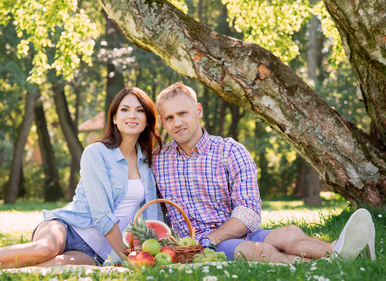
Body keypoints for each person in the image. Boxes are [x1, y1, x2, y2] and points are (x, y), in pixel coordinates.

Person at [0, 87, 163, 272]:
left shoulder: (150, 163)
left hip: (96, 251)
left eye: (139, 111)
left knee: (39, 269)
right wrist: (130, 258)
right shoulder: (97, 153)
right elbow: (102, 215)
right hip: (68, 227)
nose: (132, 115)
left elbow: (152, 215)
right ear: (114, 118)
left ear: (147, 120)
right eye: (125, 109)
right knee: (42, 250)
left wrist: (153, 251)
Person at [153, 82, 375, 264]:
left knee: (289, 233)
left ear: (198, 110)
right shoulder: (158, 160)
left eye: (183, 113)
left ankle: (336, 248)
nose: (177, 123)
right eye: (170, 118)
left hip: (234, 232)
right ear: (162, 121)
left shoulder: (231, 151)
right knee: (256, 251)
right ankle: (322, 264)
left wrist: (212, 238)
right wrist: (202, 242)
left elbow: (249, 211)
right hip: (196, 245)